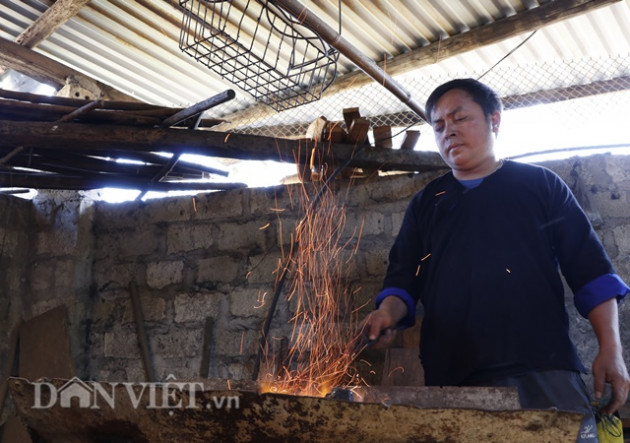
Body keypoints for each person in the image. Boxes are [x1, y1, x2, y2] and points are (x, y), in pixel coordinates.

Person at [364, 78, 629, 442]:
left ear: (495, 120)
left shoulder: (540, 186)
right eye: (439, 126)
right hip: (454, 376)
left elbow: (592, 274)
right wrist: (386, 314)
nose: (449, 132)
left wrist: (611, 350)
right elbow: (402, 282)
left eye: (460, 118)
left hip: (542, 366)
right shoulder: (429, 202)